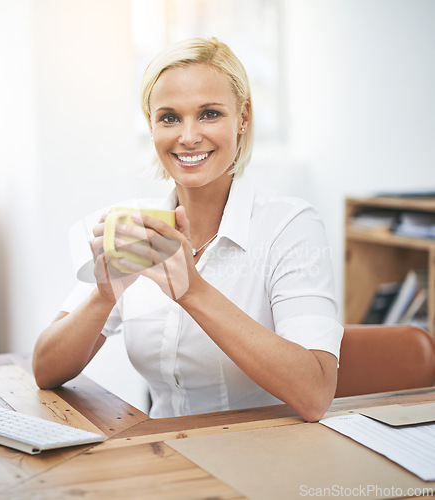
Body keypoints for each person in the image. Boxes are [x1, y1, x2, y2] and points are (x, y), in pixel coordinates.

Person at [32, 37, 343, 422]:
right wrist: (103, 296)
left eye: (210, 113)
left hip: (267, 455)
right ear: (151, 125)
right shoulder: (135, 226)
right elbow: (45, 369)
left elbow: (315, 394)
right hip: (166, 455)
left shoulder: (290, 226)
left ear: (243, 117)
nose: (189, 136)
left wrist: (193, 292)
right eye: (169, 117)